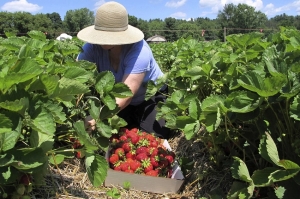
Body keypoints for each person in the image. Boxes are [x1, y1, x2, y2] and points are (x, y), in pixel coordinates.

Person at [77, 1, 170, 139]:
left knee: (155, 135)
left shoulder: (139, 51)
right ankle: (134, 118)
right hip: (121, 101)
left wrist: (97, 117)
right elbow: (75, 73)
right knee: (114, 135)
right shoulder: (91, 48)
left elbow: (126, 94)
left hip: (151, 97)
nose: (103, 39)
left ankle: (142, 118)